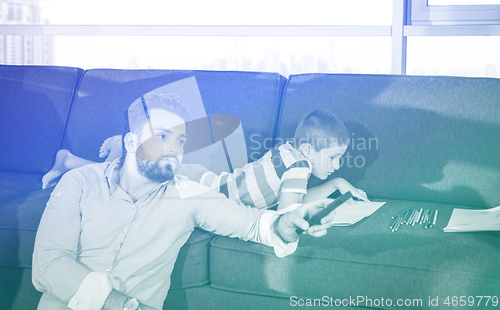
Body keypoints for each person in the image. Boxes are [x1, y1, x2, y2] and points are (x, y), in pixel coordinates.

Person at [32, 93, 336, 310]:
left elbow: (256, 224)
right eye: (162, 136)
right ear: (129, 142)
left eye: (179, 140)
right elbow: (48, 264)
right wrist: (119, 304)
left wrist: (288, 222)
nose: (174, 148)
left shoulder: (189, 194)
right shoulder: (80, 182)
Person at [42, 110, 369, 209]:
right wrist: (326, 205)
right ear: (311, 151)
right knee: (129, 179)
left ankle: (77, 158)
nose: (338, 164)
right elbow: (289, 210)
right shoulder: (300, 166)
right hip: (204, 187)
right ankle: (83, 158)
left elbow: (292, 195)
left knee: (143, 171)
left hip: (211, 180)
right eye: (335, 157)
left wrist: (336, 184)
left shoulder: (291, 152)